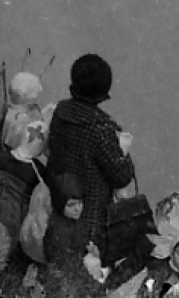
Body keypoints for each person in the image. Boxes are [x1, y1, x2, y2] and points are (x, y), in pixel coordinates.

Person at [46, 54, 136, 249]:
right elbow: (121, 177)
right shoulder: (100, 128)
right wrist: (124, 152)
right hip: (91, 213)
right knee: (89, 260)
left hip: (60, 201)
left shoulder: (60, 112)